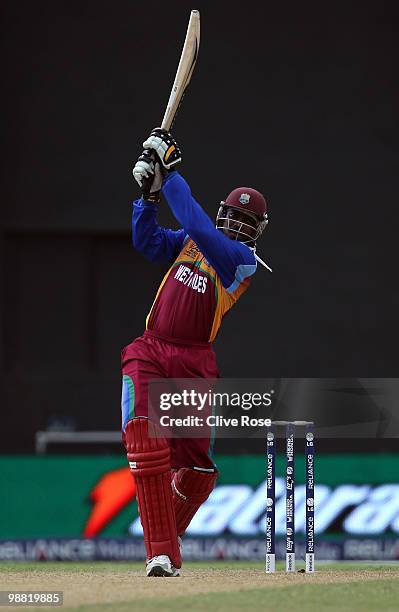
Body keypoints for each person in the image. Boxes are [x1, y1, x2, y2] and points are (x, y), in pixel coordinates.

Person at [121, 128, 270, 576]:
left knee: (198, 474)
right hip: (150, 350)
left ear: (256, 232)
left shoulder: (240, 262)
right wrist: (146, 198)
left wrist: (169, 174)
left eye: (247, 222)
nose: (238, 225)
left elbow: (201, 226)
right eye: (234, 216)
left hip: (193, 364)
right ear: (226, 213)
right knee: (145, 438)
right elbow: (147, 243)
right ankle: (161, 553)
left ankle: (165, 535)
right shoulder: (189, 240)